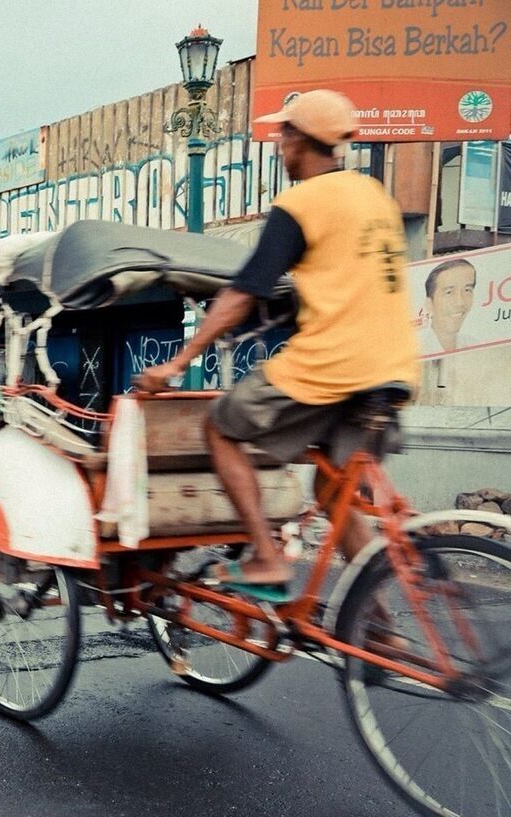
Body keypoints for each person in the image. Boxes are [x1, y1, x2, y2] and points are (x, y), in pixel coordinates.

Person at [136, 89, 420, 601]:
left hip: (335, 364)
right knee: (336, 499)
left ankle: (266, 556)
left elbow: (241, 295)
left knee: (221, 427)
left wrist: (173, 365)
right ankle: (378, 633)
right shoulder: (374, 196)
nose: (278, 147)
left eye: (282, 135)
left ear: (297, 140)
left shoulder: (300, 203)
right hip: (393, 368)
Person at [420, 258, 476, 354]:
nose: (460, 302)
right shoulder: (416, 351)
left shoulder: (473, 345)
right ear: (429, 304)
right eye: (449, 292)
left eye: (467, 290)